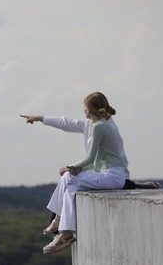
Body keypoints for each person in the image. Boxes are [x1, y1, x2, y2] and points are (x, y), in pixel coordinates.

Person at [20, 92, 129, 253]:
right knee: (71, 190)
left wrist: (70, 167)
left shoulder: (101, 126)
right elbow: (66, 123)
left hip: (113, 176)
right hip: (107, 174)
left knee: (68, 176)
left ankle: (58, 220)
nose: (82, 111)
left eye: (84, 108)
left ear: (89, 110)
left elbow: (92, 158)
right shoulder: (95, 124)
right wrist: (40, 118)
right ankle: (65, 233)